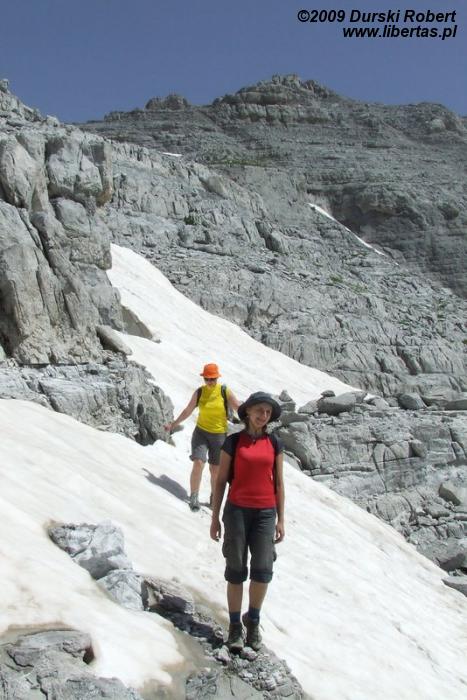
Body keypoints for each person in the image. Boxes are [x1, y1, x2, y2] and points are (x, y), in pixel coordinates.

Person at [210, 391, 284, 652]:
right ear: (248, 412)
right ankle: (234, 627)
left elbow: (279, 483)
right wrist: (215, 518)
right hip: (237, 511)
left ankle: (252, 620)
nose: (263, 416)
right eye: (259, 410)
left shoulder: (274, 443)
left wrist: (281, 519)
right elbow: (221, 481)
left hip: (265, 513)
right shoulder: (233, 442)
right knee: (236, 570)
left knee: (263, 570)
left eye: (268, 412)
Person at [164, 363, 240, 512]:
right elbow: (188, 410)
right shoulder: (199, 392)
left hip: (219, 436)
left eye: (212, 379)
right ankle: (194, 496)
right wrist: (173, 424)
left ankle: (214, 499)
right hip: (201, 433)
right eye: (207, 379)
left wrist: (253, 420)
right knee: (198, 462)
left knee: (215, 470)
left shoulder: (224, 391)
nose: (210, 382)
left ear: (217, 378)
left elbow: (238, 407)